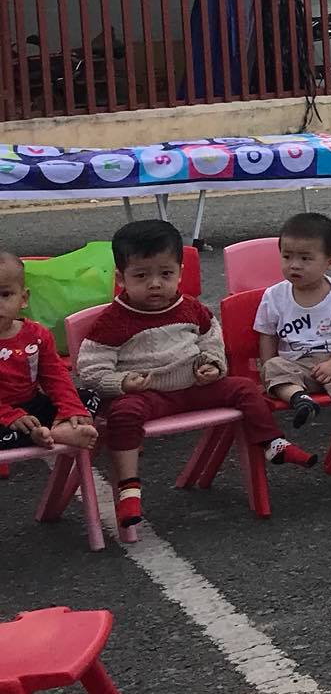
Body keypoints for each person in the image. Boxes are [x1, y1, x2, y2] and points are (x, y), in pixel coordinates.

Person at [80, 220, 314, 528]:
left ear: (179, 273)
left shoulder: (190, 308)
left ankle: (273, 443)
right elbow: (91, 368)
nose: (155, 284)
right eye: (141, 276)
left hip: (195, 386)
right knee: (123, 414)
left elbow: (211, 341)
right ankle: (128, 489)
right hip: (148, 395)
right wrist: (121, 382)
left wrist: (212, 365)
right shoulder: (113, 321)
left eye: (166, 274)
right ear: (121, 278)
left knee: (244, 388)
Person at [255, 212, 331, 480]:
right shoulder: (274, 296)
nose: (294, 265)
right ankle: (300, 399)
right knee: (274, 367)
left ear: (330, 262)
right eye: (287, 257)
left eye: (305, 258)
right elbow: (267, 334)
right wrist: (266, 367)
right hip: (296, 363)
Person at [0, 252, 96, 453]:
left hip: (32, 406)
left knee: (89, 398)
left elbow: (55, 375)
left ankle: (56, 429)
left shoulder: (37, 334)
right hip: (3, 416)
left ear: (23, 298)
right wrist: (8, 415)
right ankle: (44, 434)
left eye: (5, 294)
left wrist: (70, 407)